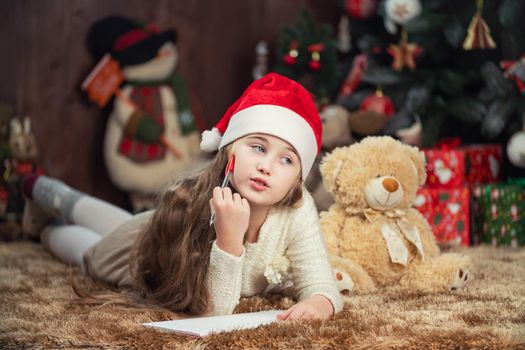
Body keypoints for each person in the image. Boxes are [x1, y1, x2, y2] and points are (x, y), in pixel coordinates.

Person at [22, 72, 343, 320]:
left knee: (126, 222)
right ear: (229, 149)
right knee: (91, 257)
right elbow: (215, 312)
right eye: (257, 147)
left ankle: (48, 198)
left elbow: (321, 279)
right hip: (144, 250)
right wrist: (229, 242)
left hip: (143, 226)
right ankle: (47, 218)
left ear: (298, 179)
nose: (266, 166)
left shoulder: (299, 209)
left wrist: (320, 301)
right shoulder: (198, 201)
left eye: (286, 159)